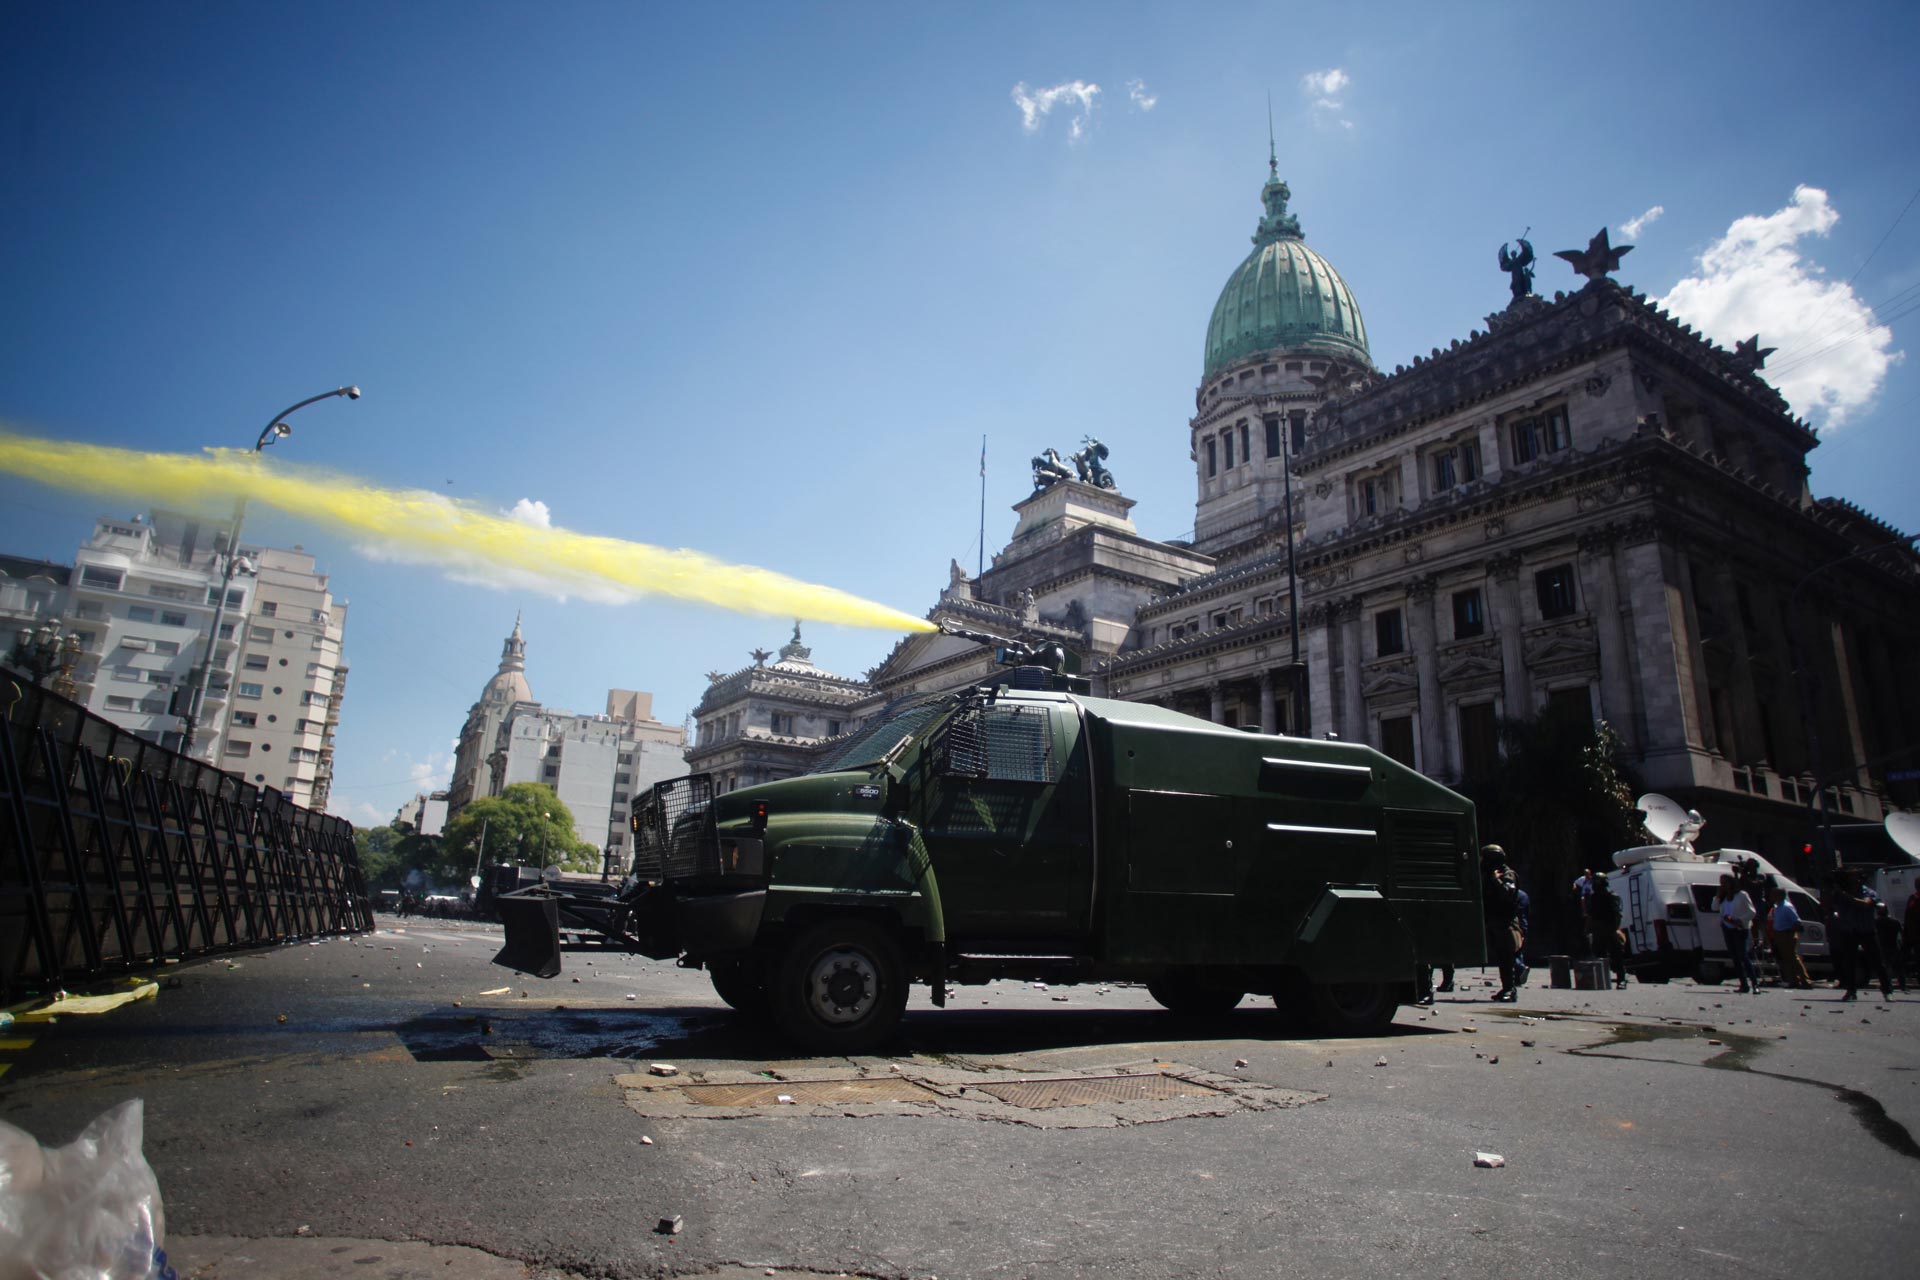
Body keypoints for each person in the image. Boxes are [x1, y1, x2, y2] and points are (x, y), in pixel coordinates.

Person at [1827, 870, 1892, 1002]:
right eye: (1851, 878)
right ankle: (1851, 991)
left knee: (1878, 962)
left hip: (1866, 930)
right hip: (1849, 931)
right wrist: (1833, 890)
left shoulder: (1868, 892)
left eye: (1856, 878)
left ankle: (1887, 991)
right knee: (1849, 963)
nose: (1854, 881)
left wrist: (1845, 896)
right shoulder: (1839, 894)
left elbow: (1865, 903)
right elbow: (1828, 906)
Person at [1481, 845, 1523, 1002]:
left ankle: (1510, 989)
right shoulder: (1488, 874)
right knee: (1501, 956)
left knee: (1507, 957)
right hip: (1494, 920)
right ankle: (1506, 987)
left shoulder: (1507, 874)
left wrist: (1495, 879)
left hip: (1506, 922)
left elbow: (1507, 893)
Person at [1715, 873, 1760, 995]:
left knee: (1743, 956)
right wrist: (1718, 896)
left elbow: (1752, 912)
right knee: (1734, 957)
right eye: (1721, 883)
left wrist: (1738, 920)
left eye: (1725, 882)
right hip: (1727, 928)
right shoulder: (1724, 898)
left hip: (1739, 928)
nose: (1723, 885)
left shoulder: (1741, 895)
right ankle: (1743, 984)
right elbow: (1714, 907)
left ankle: (1755, 983)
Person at [1587, 871, 1628, 988]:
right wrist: (1589, 930)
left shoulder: (1612, 897)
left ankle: (1621, 980)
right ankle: (1600, 980)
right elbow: (1590, 915)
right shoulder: (1593, 898)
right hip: (1598, 930)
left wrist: (1614, 930)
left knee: (1617, 955)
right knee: (1598, 955)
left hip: (1610, 928)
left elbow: (1617, 915)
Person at [1768, 886, 1813, 990]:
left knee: (1793, 958)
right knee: (1786, 959)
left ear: (1779, 895)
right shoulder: (1777, 907)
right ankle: (1793, 980)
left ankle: (1805, 980)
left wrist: (1790, 933)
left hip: (1787, 934)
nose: (1771, 896)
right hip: (1779, 935)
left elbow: (1796, 921)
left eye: (1773, 894)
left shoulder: (1787, 907)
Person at [1874, 904, 1906, 994]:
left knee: (1887, 967)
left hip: (1883, 947)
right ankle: (1902, 986)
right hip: (1894, 946)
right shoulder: (1895, 922)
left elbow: (1874, 935)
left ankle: (1888, 986)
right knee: (1898, 967)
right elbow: (1902, 933)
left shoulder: (1876, 922)